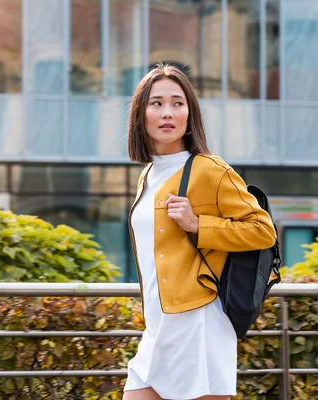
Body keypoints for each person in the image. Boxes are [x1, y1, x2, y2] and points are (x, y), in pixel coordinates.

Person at [123, 63, 277, 400]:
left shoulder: (210, 169)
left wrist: (198, 225)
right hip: (159, 325)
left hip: (198, 323)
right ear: (141, 114)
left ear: (190, 115)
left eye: (178, 103)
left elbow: (263, 231)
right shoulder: (147, 175)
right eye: (157, 103)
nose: (168, 113)